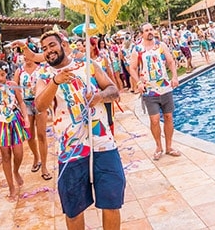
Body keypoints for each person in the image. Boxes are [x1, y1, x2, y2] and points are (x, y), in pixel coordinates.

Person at [35, 28, 124, 230]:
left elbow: (114, 90)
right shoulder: (44, 75)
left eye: (52, 45)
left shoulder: (88, 65)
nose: (48, 50)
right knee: (73, 208)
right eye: (44, 48)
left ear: (63, 45)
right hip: (71, 149)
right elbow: (40, 105)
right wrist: (55, 81)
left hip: (103, 144)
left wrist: (100, 97)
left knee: (111, 201)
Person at [129, 23, 180, 161]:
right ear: (141, 34)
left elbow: (170, 61)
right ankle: (158, 146)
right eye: (146, 30)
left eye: (151, 29)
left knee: (169, 117)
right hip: (149, 91)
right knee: (155, 120)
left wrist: (174, 76)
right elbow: (132, 68)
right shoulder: (138, 49)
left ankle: (169, 146)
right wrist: (138, 82)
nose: (150, 32)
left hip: (165, 88)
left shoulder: (161, 46)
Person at [0, 60, 29, 200]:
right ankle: (11, 186)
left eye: (2, 74)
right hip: (0, 122)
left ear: (6, 73)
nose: (0, 78)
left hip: (14, 119)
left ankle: (16, 171)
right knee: (5, 155)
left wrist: (26, 118)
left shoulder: (13, 86)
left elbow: (21, 102)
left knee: (18, 152)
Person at [14, 49, 51, 181]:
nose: (26, 58)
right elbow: (15, 87)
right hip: (26, 104)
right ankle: (36, 157)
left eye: (28, 55)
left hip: (39, 103)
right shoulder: (20, 71)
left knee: (42, 135)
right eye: (24, 56)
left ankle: (45, 166)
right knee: (29, 135)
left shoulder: (41, 69)